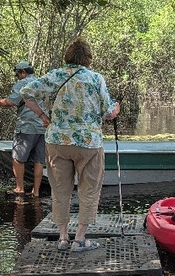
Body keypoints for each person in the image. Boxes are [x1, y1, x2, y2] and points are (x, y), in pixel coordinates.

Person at [19, 39, 119, 252]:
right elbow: (108, 113)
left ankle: (63, 238)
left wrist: (43, 116)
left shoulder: (57, 75)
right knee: (89, 190)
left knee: (60, 190)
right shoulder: (95, 78)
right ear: (88, 59)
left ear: (68, 56)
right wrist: (116, 109)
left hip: (57, 141)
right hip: (89, 143)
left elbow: (26, 92)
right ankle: (80, 239)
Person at [0, 60, 45, 197]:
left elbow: (11, 102)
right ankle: (36, 191)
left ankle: (19, 188)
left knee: (18, 158)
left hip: (27, 126)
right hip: (42, 126)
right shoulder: (41, 83)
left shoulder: (23, 83)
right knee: (39, 160)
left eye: (18, 74)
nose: (17, 77)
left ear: (23, 72)